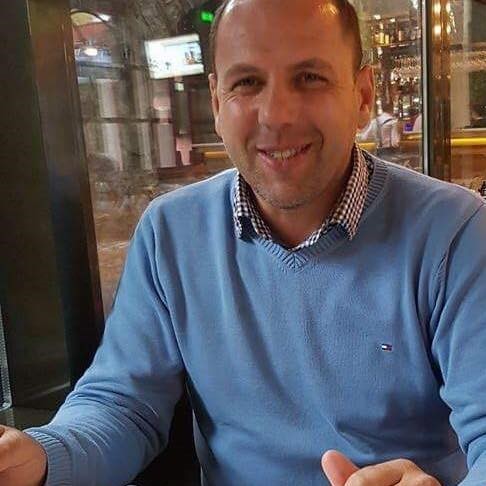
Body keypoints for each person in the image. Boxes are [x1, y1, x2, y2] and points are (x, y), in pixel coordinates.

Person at [1, 0, 486, 485]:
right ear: (217, 102)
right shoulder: (171, 233)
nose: (276, 115)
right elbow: (123, 405)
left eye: (310, 78)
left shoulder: (455, 231)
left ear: (362, 95)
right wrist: (39, 457)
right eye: (248, 82)